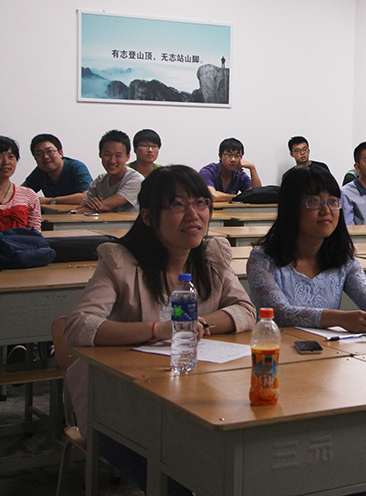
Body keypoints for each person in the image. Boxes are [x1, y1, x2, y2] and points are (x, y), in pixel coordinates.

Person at [63, 165, 256, 493]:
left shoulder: (211, 254)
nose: (193, 215)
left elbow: (245, 310)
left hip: (194, 396)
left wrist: (196, 326)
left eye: (200, 202)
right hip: (120, 403)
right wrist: (158, 329)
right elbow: (79, 327)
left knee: (236, 461)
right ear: (149, 216)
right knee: (178, 476)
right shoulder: (120, 261)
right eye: (178, 204)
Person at [247, 165, 366, 331]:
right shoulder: (262, 260)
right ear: (292, 207)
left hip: (327, 346)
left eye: (333, 201)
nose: (326, 210)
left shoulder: (343, 259)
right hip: (278, 345)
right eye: (314, 201)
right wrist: (339, 318)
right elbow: (280, 313)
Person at [77, 130, 143, 213]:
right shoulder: (99, 181)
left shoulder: (136, 180)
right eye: (107, 154)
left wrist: (75, 213)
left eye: (118, 156)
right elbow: (82, 206)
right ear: (100, 154)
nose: (112, 161)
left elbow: (106, 206)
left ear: (127, 157)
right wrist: (88, 204)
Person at [21, 133, 92, 205]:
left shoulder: (77, 167)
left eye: (49, 151)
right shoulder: (40, 171)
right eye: (39, 154)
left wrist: (50, 201)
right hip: (54, 212)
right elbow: (20, 193)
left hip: (78, 211)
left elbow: (87, 197)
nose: (45, 157)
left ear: (61, 153)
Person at [0, 136, 41, 232]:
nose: (6, 162)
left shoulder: (29, 195)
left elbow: (35, 232)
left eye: (11, 157)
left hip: (22, 242)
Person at [199, 137, 263, 202]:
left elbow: (258, 195)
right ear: (220, 156)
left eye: (237, 156)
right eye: (229, 155)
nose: (233, 159)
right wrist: (240, 197)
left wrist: (252, 168)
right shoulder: (207, 172)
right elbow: (213, 196)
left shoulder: (239, 175)